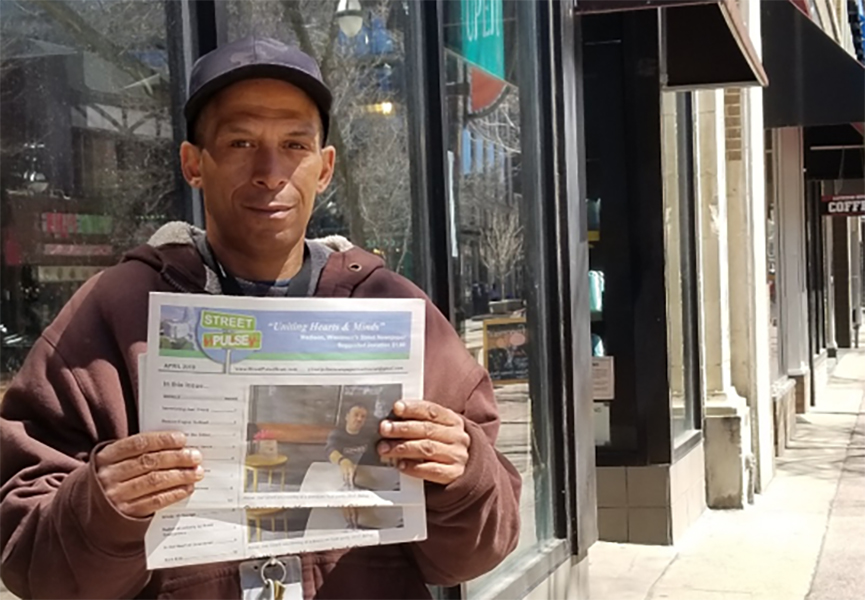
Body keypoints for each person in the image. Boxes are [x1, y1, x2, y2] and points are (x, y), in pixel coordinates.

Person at [0, 36, 521, 599]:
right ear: (193, 163)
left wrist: (464, 475)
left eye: (295, 143)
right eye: (242, 141)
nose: (271, 172)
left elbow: (473, 553)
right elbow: (31, 565)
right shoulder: (112, 314)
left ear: (324, 169)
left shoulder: (395, 312)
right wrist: (99, 508)